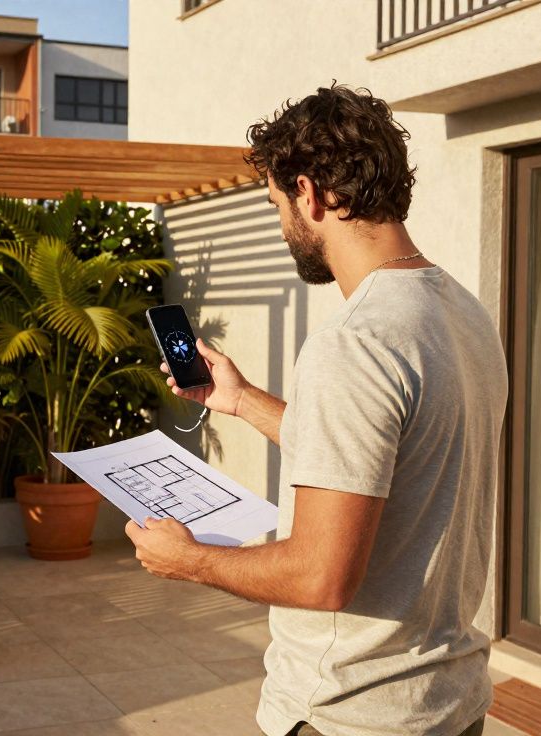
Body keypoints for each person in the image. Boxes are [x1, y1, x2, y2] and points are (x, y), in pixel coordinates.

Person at [123, 85, 508, 736]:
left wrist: (190, 560)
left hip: (350, 713)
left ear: (309, 193)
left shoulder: (353, 343)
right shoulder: (462, 312)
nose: (282, 227)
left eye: (277, 205)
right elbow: (391, 458)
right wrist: (242, 400)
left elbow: (320, 577)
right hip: (446, 702)